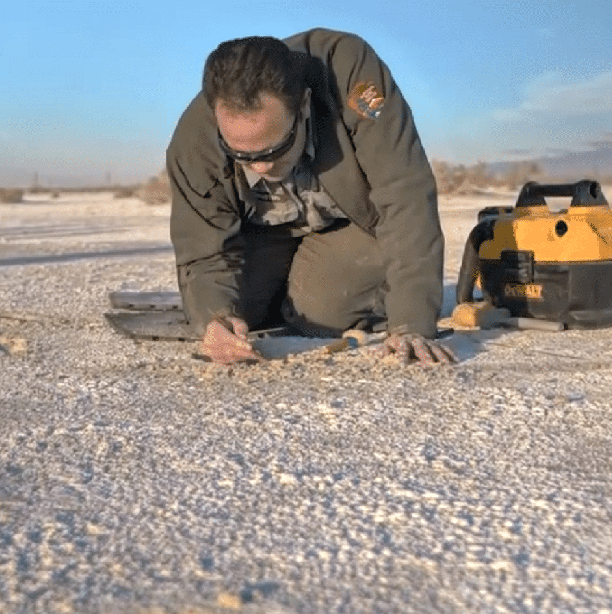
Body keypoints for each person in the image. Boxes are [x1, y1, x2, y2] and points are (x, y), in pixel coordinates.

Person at [166, 29, 455, 366]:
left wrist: (411, 321)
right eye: (241, 154)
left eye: (276, 148)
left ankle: (335, 293)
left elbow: (404, 195)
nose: (260, 166)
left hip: (351, 228)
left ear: (303, 106)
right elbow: (203, 253)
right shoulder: (194, 140)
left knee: (323, 313)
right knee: (238, 314)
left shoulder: (350, 74)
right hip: (264, 236)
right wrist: (214, 319)